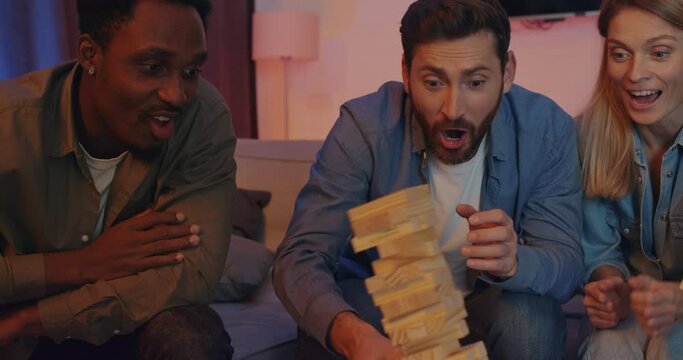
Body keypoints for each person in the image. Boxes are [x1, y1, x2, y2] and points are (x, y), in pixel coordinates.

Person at [273, 0, 583, 358]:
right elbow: (300, 257)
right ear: (406, 72)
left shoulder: (546, 129)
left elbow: (566, 266)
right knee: (331, 319)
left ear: (508, 72)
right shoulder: (365, 127)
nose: (453, 108)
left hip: (493, 304)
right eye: (433, 82)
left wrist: (515, 262)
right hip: (396, 304)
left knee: (530, 319)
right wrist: (354, 337)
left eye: (476, 82)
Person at [0, 0, 236, 358]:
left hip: (116, 323)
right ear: (90, 54)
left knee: (189, 335)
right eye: (152, 66)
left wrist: (31, 319)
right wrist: (81, 263)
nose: (176, 95)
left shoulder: (201, 117)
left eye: (190, 71)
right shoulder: (9, 126)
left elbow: (191, 275)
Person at [580, 0, 683, 358]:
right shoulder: (585, 137)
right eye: (620, 54)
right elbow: (599, 248)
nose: (635, 73)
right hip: (637, 316)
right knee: (607, 345)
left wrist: (679, 299)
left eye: (659, 53)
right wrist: (611, 288)